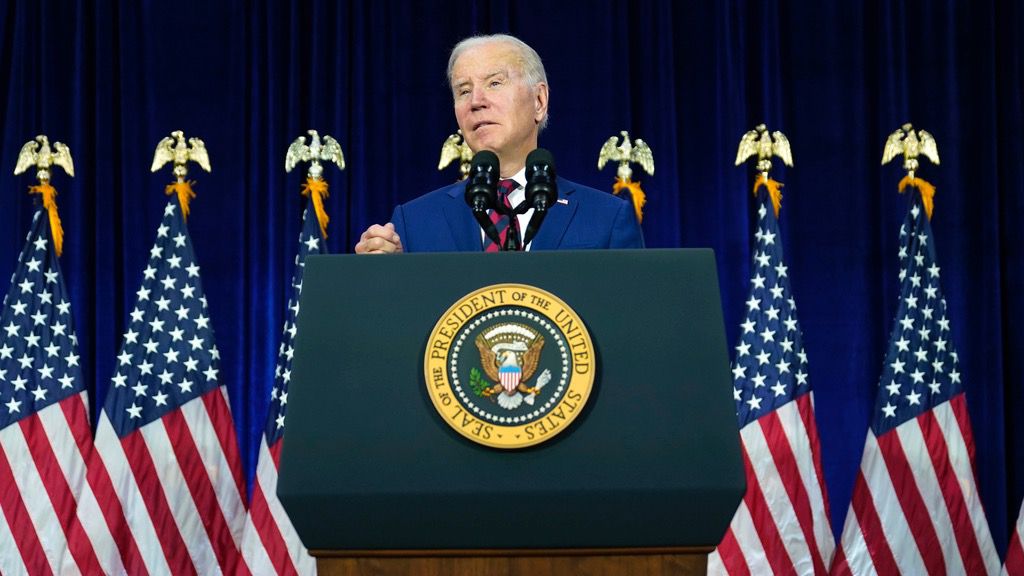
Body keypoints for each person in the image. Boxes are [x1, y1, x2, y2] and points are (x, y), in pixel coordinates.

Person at [355, 34, 644, 254]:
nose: (476, 102)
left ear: (539, 101)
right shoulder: (414, 224)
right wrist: (382, 277)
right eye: (463, 91)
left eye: (495, 83)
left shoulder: (606, 220)